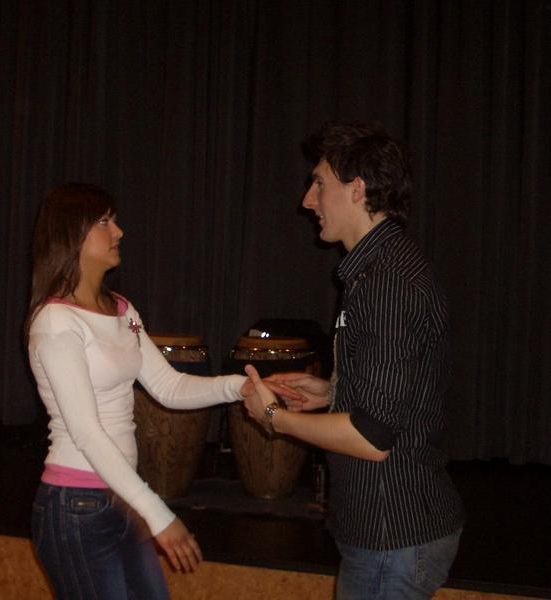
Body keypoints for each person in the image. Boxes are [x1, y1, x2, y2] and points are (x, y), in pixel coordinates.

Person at [241, 122, 465, 599]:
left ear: (357, 189)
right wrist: (332, 391)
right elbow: (399, 396)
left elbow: (372, 436)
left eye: (319, 183)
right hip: (390, 537)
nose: (308, 200)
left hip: (392, 538)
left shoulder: (387, 283)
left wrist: (275, 417)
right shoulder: (379, 271)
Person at [25, 182, 249, 600]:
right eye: (105, 221)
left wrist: (240, 386)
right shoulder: (56, 322)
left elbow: (168, 386)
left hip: (121, 497)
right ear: (72, 234)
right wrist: (158, 514)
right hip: (76, 506)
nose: (119, 231)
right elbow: (87, 433)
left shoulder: (122, 310)